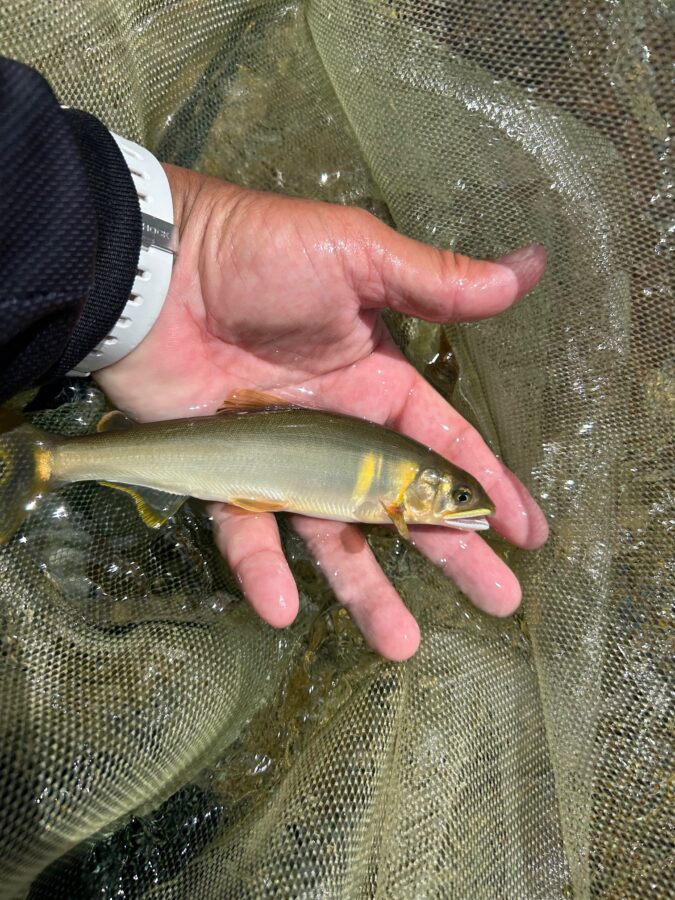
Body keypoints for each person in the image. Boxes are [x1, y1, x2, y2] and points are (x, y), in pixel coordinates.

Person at [0, 57, 548, 660]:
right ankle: (54, 459)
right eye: (456, 498)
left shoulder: (397, 485)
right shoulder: (394, 493)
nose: (460, 508)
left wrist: (142, 254)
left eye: (459, 500)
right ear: (418, 486)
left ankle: (55, 457)